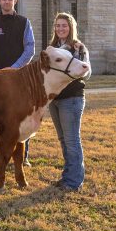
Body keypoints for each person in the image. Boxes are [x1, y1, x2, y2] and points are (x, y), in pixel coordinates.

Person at [0, 0, 35, 166]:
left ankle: (23, 157)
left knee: (21, 117)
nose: (7, 2)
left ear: (15, 2)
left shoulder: (24, 22)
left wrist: (13, 69)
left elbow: (30, 48)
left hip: (20, 77)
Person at [48, 12, 90, 192]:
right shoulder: (52, 48)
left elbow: (87, 72)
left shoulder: (78, 48)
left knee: (72, 140)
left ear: (70, 27)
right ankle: (67, 176)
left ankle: (74, 182)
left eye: (64, 25)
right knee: (63, 139)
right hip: (55, 100)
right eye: (58, 26)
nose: (60, 29)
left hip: (72, 99)